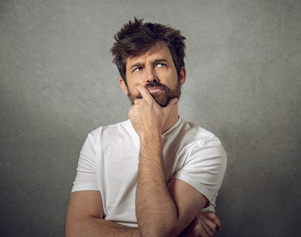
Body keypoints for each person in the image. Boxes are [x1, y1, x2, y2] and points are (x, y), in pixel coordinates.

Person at [65, 18, 227, 237]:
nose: (150, 77)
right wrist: (181, 230)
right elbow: (76, 231)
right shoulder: (98, 141)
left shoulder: (205, 147)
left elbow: (158, 232)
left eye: (160, 64)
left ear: (181, 75)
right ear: (124, 85)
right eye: (138, 68)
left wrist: (150, 132)